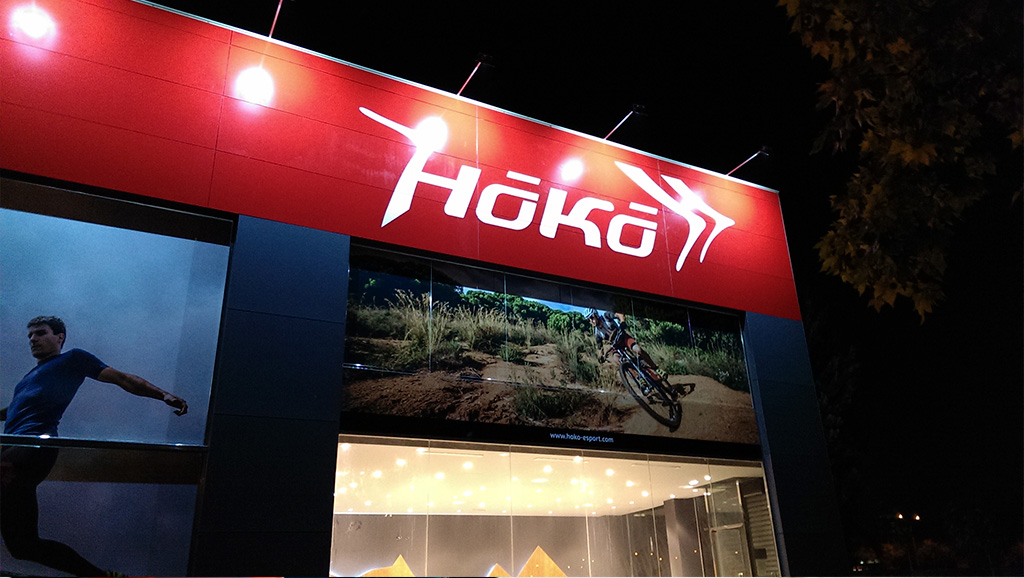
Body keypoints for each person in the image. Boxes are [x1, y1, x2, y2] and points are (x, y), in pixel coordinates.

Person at [0, 316, 188, 577]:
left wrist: (162, 394)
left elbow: (122, 378)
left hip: (35, 445)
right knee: (23, 547)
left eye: (40, 333)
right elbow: (15, 410)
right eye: (30, 335)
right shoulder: (28, 378)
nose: (33, 339)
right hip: (15, 447)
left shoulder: (73, 359)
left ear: (60, 337)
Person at [587, 310, 668, 384]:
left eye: (591, 318)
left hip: (623, 338)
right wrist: (601, 357)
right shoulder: (597, 333)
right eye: (589, 320)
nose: (591, 321)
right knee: (617, 360)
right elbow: (600, 348)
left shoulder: (606, 316)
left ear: (596, 315)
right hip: (616, 346)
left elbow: (619, 314)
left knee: (638, 350)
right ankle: (639, 378)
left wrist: (622, 321)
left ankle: (655, 368)